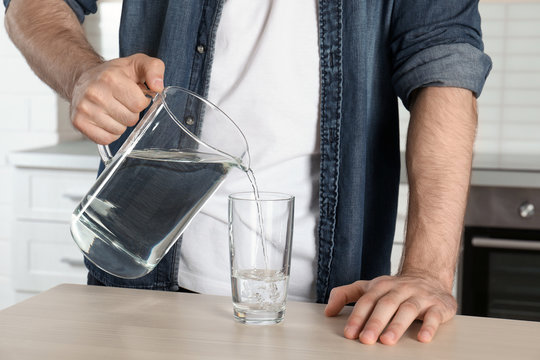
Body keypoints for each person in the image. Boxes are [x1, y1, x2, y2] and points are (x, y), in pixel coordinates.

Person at [4, 0, 491, 346]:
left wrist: (427, 272)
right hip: (139, 284)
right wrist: (80, 73)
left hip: (338, 308)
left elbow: (445, 65)